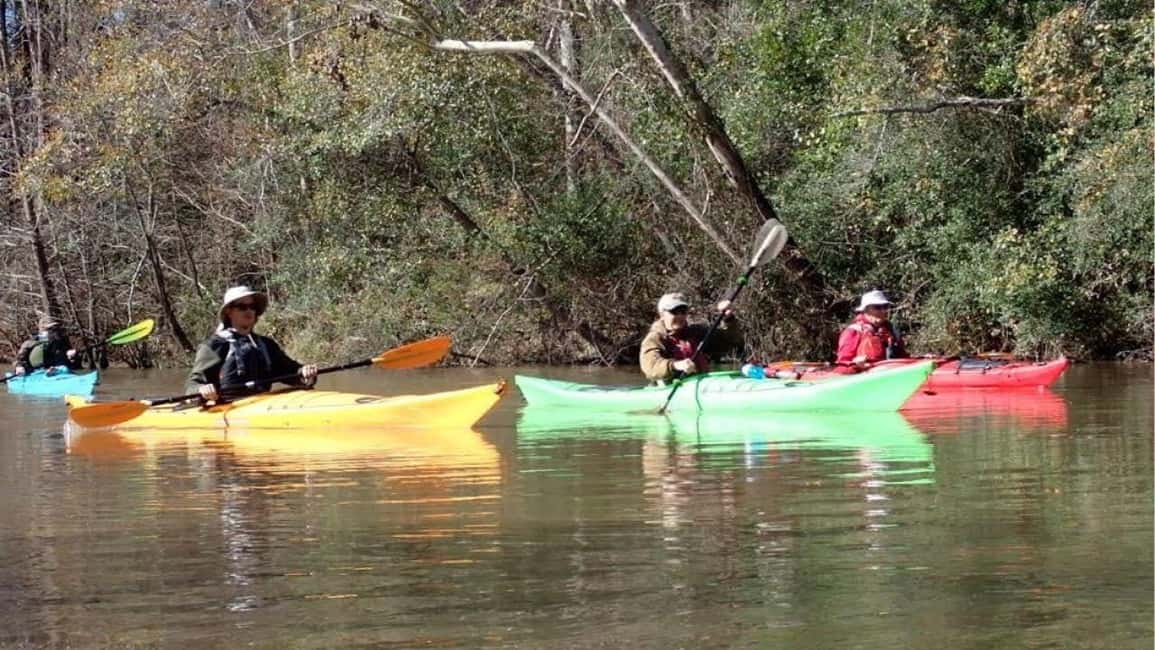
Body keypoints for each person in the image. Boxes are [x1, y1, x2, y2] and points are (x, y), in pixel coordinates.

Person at [187, 286, 318, 401]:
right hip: (229, 406)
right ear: (229, 312)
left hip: (263, 404)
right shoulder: (215, 346)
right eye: (242, 307)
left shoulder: (266, 345)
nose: (249, 311)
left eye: (252, 307)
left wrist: (305, 373)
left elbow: (290, 371)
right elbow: (193, 385)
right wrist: (202, 390)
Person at [640, 292, 744, 383]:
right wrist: (675, 365)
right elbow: (651, 367)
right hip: (671, 386)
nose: (680, 316)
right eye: (674, 312)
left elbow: (732, 340)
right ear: (662, 314)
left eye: (683, 311)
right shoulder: (655, 338)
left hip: (701, 384)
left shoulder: (697, 332)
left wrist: (729, 319)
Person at [834, 289, 907, 374]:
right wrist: (855, 365)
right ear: (865, 310)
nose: (883, 311)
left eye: (885, 307)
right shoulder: (853, 332)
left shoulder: (891, 330)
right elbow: (841, 368)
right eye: (877, 307)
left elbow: (903, 357)